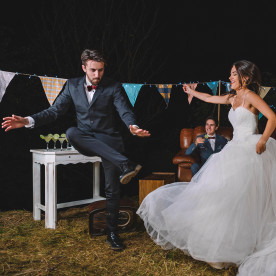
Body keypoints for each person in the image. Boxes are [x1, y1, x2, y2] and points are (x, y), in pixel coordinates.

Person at [137, 60, 276, 275]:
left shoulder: (250, 96)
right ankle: (226, 245)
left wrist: (263, 141)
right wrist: (193, 91)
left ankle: (249, 242)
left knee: (246, 197)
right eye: (229, 74)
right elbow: (211, 97)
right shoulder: (232, 97)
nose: (229, 77)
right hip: (234, 149)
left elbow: (272, 117)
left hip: (250, 150)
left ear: (245, 78)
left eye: (233, 74)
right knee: (224, 196)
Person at [2, 49, 150, 251]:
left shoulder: (113, 86)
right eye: (93, 70)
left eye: (101, 70)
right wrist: (28, 120)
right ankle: (126, 163)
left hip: (109, 141)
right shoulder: (72, 85)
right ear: (84, 68)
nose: (97, 75)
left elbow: (124, 109)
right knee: (71, 132)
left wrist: (132, 126)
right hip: (85, 139)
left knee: (112, 189)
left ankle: (112, 232)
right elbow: (54, 111)